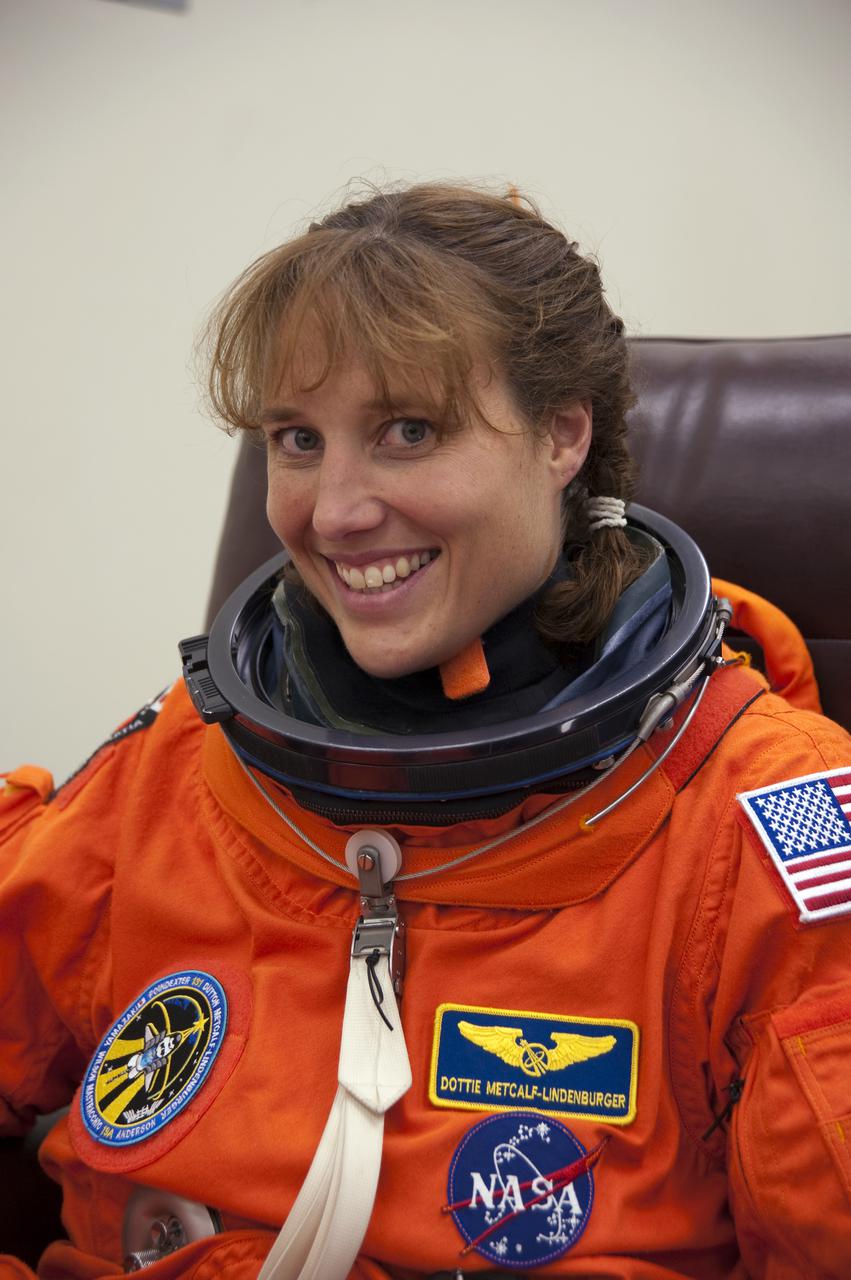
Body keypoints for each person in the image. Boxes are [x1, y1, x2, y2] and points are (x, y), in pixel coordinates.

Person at [2, 183, 850, 1280]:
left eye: (409, 430)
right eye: (296, 439)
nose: (334, 508)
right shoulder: (181, 762)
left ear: (561, 434)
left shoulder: (768, 832)